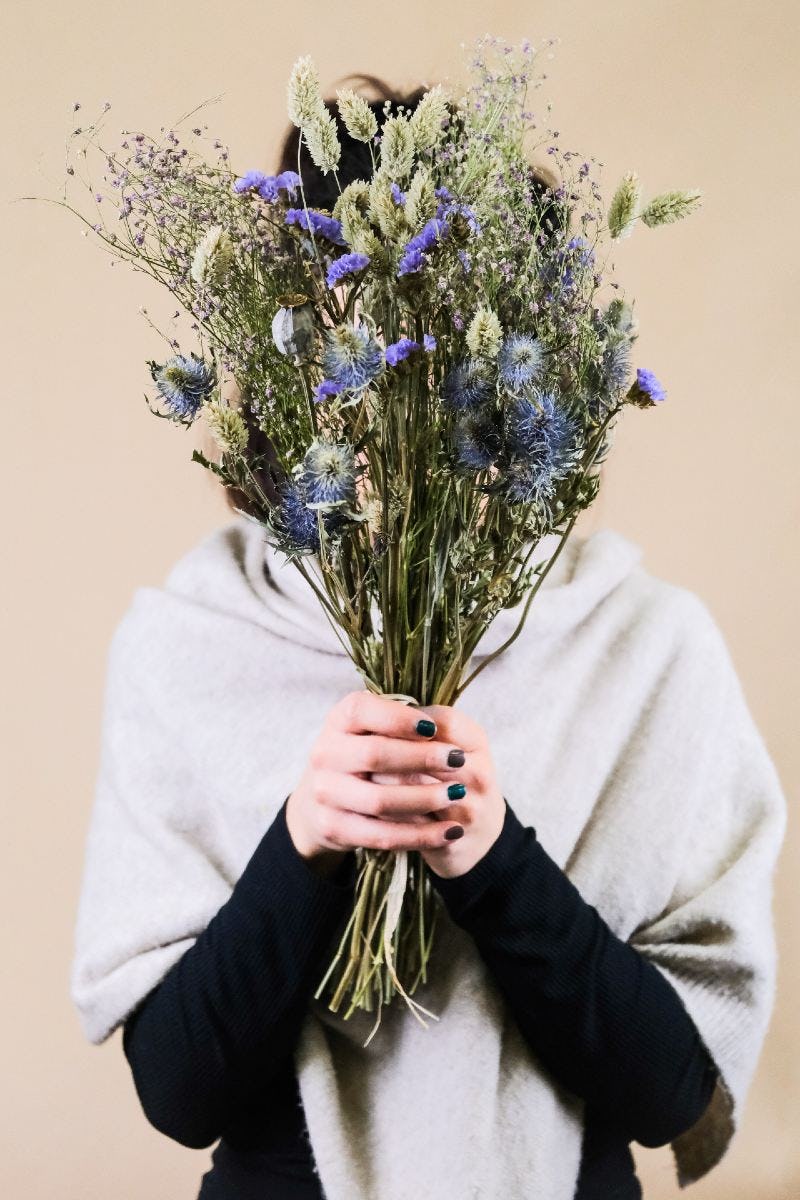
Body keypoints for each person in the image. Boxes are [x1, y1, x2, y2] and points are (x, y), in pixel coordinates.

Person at [69, 80, 787, 1200]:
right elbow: (177, 1092)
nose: (404, 383)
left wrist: (492, 858)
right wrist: (305, 842)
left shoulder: (645, 649)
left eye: (456, 337)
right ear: (288, 348)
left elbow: (668, 1098)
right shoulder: (189, 643)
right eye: (356, 334)